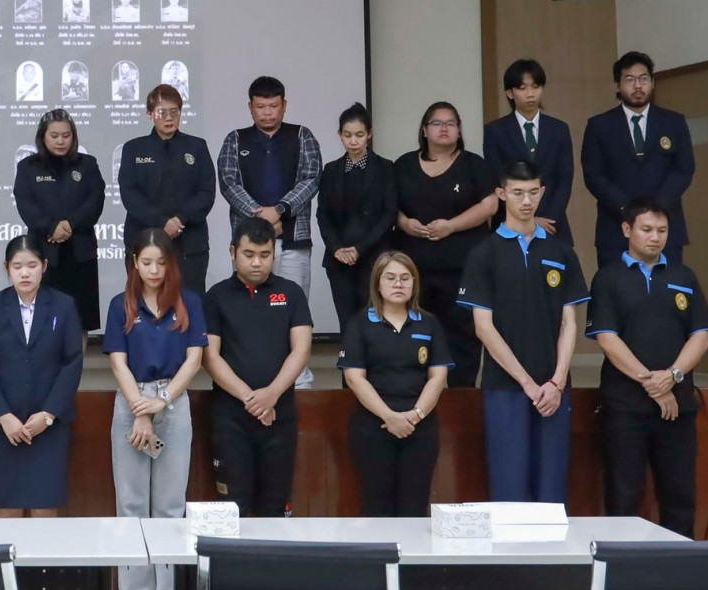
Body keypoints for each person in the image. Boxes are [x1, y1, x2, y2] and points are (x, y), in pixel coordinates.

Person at [457, 161, 589, 504]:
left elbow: (569, 323)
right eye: (517, 193)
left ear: (542, 192)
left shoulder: (562, 252)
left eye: (533, 192)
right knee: (509, 489)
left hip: (554, 390)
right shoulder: (484, 253)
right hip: (505, 388)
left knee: (552, 491)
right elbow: (483, 328)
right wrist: (528, 383)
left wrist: (557, 382)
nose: (526, 201)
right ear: (501, 194)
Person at [585, 199, 708, 537]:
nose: (655, 237)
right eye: (646, 229)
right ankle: (622, 567)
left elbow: (700, 337)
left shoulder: (684, 276)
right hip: (625, 407)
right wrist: (654, 385)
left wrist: (671, 377)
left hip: (677, 408)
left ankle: (679, 564)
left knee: (680, 497)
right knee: (623, 495)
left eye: (662, 230)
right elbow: (607, 339)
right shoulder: (608, 278)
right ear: (627, 229)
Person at [104, 229, 206, 590]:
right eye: (146, 262)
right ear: (134, 262)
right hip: (131, 401)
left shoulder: (189, 302)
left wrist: (161, 401)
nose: (153, 270)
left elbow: (194, 360)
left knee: (170, 506)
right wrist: (141, 409)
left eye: (161, 263)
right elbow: (118, 363)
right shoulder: (120, 305)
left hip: (173, 401)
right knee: (131, 506)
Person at [202, 218, 313, 517]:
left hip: (279, 414)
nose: (257, 262)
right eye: (249, 254)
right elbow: (210, 356)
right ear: (233, 252)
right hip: (230, 417)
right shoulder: (216, 296)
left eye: (265, 255)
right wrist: (251, 398)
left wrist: (271, 394)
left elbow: (301, 349)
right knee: (233, 506)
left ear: (274, 254)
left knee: (276, 507)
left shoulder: (291, 293)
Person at [217, 76, 322, 386]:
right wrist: (260, 217)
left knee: (293, 310)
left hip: (293, 241)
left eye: (273, 106)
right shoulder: (235, 140)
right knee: (249, 311)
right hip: (249, 245)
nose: (267, 112)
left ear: (284, 105)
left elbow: (312, 178)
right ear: (250, 107)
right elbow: (228, 183)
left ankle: (297, 379)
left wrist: (280, 210)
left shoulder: (302, 136)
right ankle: (250, 376)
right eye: (260, 106)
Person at [0, 237, 85, 517]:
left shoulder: (63, 305)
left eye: (32, 265)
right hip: (4, 427)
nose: (25, 273)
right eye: (17, 266)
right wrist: (3, 416)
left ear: (44, 266)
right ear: (6, 268)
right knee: (7, 509)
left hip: (49, 426)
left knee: (44, 508)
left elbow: (72, 363)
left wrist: (48, 415)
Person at [393, 102, 499, 387]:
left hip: (463, 268)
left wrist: (451, 225)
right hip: (414, 268)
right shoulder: (403, 165)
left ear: (459, 130)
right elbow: (388, 206)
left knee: (462, 336)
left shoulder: (474, 164)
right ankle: (415, 394)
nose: (444, 128)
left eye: (451, 123)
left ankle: (461, 395)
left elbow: (490, 205)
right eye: (437, 123)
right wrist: (405, 223)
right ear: (424, 130)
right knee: (414, 333)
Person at [338, 252, 452, 517]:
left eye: (405, 278)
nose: (398, 284)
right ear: (377, 283)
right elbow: (354, 378)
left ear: (414, 283)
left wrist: (414, 416)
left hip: (420, 428)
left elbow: (438, 376)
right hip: (373, 427)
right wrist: (390, 417)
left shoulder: (429, 324)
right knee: (376, 506)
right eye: (390, 278)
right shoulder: (359, 324)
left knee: (415, 507)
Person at [582, 51, 696, 270]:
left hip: (665, 228)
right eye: (630, 79)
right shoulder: (599, 126)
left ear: (652, 82)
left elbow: (684, 169)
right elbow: (594, 176)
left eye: (643, 79)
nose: (637, 86)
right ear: (617, 85)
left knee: (666, 289)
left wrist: (657, 206)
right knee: (618, 289)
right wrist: (629, 209)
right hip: (616, 230)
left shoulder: (674, 122)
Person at [13, 109, 105, 330]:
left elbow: (95, 201)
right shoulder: (28, 167)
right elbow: (26, 205)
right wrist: (51, 227)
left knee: (80, 320)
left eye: (66, 135)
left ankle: (77, 356)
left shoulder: (87, 164)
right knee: (43, 318)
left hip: (80, 251)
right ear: (43, 137)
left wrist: (70, 224)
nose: (61, 141)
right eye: (54, 136)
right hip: (43, 252)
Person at [119, 84, 216, 295]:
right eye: (162, 112)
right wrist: (162, 223)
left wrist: (180, 219)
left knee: (189, 304)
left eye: (174, 112)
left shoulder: (197, 147)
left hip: (190, 244)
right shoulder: (133, 148)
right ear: (150, 114)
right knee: (145, 303)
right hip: (144, 240)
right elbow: (129, 194)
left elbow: (206, 192)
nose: (169, 118)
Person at [317, 103, 397, 327]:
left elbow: (389, 214)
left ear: (369, 134)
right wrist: (336, 248)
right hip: (338, 259)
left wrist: (359, 249)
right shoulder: (331, 170)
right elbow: (323, 215)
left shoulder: (385, 167)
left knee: (374, 321)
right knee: (347, 323)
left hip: (374, 256)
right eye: (347, 135)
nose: (353, 141)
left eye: (359, 135)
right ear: (340, 135)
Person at [483, 59, 574, 245]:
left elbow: (564, 179)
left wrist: (548, 218)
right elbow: (497, 179)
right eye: (522, 88)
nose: (530, 94)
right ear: (509, 92)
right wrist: (530, 221)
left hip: (552, 224)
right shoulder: (495, 131)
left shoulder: (559, 129)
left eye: (535, 86)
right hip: (510, 225)